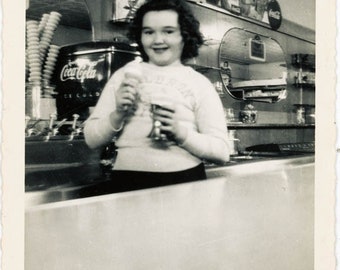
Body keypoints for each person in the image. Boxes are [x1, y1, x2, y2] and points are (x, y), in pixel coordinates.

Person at [84, 0, 230, 193]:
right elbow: (91, 139)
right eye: (148, 32)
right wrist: (117, 114)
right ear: (140, 35)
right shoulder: (123, 75)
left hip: (184, 183)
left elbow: (222, 152)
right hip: (127, 182)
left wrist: (181, 134)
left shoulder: (200, 83)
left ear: (184, 36)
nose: (157, 40)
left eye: (168, 31)